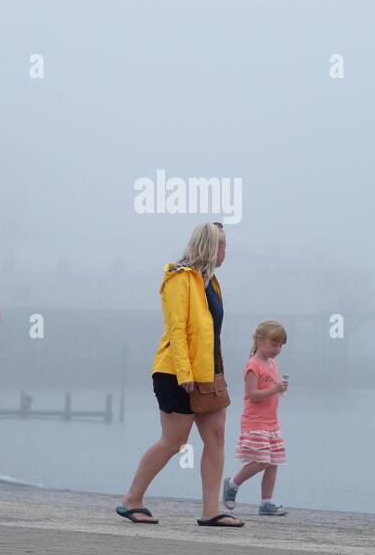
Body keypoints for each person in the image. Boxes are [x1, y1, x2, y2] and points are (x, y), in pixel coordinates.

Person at [118, 222, 242, 527]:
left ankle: (211, 511)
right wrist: (186, 376)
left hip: (209, 373)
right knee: (174, 441)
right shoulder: (179, 278)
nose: (227, 252)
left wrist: (215, 373)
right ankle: (132, 500)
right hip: (176, 372)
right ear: (211, 247)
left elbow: (210, 333)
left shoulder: (211, 283)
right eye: (223, 246)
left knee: (216, 438)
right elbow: (177, 329)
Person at [222, 320, 289, 515]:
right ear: (260, 340)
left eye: (280, 345)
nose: (277, 349)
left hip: (272, 422)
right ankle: (233, 484)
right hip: (255, 421)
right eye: (273, 344)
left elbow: (270, 391)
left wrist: (279, 390)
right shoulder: (252, 365)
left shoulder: (273, 364)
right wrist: (275, 389)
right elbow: (252, 395)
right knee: (261, 461)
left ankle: (266, 503)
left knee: (273, 462)